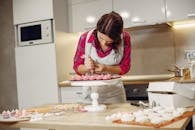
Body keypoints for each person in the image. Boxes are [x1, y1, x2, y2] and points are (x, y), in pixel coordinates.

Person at [73, 11, 131, 103]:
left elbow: (125, 67)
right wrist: (87, 68)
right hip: (90, 95)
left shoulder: (125, 38)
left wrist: (106, 68)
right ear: (97, 29)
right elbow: (77, 67)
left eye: (109, 42)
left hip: (114, 94)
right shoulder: (85, 38)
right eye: (101, 38)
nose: (104, 43)